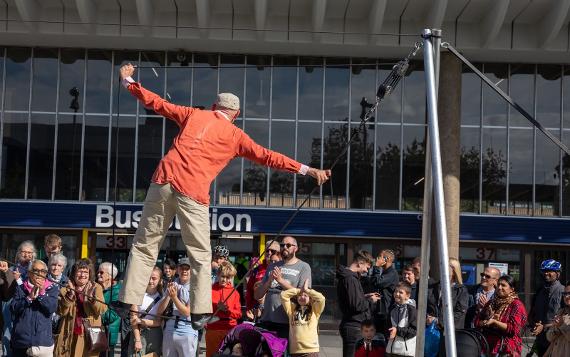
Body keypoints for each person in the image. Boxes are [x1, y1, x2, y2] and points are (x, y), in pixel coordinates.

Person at [118, 63, 331, 330]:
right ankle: (199, 312)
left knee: (145, 244)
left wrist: (128, 81)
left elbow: (157, 103)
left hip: (162, 180)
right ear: (236, 114)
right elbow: (269, 157)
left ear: (213, 106)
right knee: (199, 253)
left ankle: (129, 300)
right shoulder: (235, 136)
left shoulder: (193, 114)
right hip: (192, 190)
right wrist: (308, 170)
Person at [254, 236, 312, 339]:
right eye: (282, 245)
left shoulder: (303, 267)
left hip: (287, 322)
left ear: (296, 248)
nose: (284, 247)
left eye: (288, 245)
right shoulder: (272, 266)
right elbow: (258, 295)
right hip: (267, 319)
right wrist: (269, 281)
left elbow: (303, 296)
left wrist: (280, 280)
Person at [54, 258, 107, 357]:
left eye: (86, 272)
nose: (82, 275)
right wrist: (70, 295)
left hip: (89, 334)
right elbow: (60, 311)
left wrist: (92, 299)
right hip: (69, 332)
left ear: (90, 274)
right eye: (79, 271)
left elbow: (102, 309)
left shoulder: (96, 288)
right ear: (74, 274)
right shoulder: (65, 289)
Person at [10, 260, 59, 357]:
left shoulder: (52, 288)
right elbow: (13, 308)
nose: (39, 274)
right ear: (29, 272)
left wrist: (42, 293)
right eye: (36, 270)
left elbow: (51, 309)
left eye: (43, 271)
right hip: (21, 343)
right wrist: (28, 298)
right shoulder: (20, 287)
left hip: (42, 344)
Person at [474, 275, 527, 357]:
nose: (499, 287)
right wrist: (485, 322)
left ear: (512, 289)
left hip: (507, 349)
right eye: (498, 284)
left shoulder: (516, 305)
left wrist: (495, 322)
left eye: (503, 285)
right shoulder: (491, 303)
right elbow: (477, 321)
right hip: (488, 347)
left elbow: (514, 329)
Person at [156, 257, 199, 357]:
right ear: (177, 270)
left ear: (191, 270)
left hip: (187, 330)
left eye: (187, 269)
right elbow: (159, 311)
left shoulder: (195, 287)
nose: (184, 271)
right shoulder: (172, 284)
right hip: (169, 329)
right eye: (182, 268)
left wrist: (174, 297)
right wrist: (167, 295)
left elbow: (187, 312)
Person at [336, 250, 375, 357]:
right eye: (367, 267)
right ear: (360, 262)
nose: (367, 271)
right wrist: (371, 301)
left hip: (353, 326)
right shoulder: (350, 279)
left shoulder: (349, 277)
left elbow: (353, 301)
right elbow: (356, 305)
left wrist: (364, 297)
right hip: (354, 327)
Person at [3, 240, 37, 357]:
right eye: (24, 252)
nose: (27, 255)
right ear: (18, 253)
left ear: (33, 255)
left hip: (26, 308)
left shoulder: (35, 272)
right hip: (10, 307)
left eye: (29, 252)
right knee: (8, 335)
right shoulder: (11, 269)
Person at [280, 279, 326, 357]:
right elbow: (283, 295)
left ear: (310, 298)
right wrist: (299, 290)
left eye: (305, 296)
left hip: (311, 351)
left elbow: (321, 299)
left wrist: (307, 290)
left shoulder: (315, 309)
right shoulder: (291, 309)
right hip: (295, 351)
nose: (302, 297)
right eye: (300, 295)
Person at [529, 259, 565, 356]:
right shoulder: (539, 291)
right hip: (540, 340)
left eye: (550, 271)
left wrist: (544, 326)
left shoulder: (564, 292)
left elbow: (565, 319)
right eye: (544, 271)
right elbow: (533, 313)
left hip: (557, 339)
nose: (546, 273)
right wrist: (533, 324)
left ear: (558, 273)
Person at [206, 261, 242, 357]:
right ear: (218, 274)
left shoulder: (234, 292)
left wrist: (228, 311)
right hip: (213, 329)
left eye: (227, 277)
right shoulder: (210, 290)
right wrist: (216, 307)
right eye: (222, 276)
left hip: (229, 330)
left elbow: (239, 314)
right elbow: (204, 310)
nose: (224, 279)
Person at [129, 266, 164, 356]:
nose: (150, 281)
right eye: (148, 277)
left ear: (160, 280)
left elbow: (158, 322)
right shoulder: (138, 295)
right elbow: (133, 319)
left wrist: (140, 321)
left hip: (155, 334)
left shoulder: (162, 298)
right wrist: (137, 340)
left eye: (154, 278)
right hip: (138, 332)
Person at [364, 249, 399, 337]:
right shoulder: (385, 272)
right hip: (378, 312)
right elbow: (373, 282)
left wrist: (376, 267)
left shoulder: (392, 273)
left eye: (379, 257)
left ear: (386, 259)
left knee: (382, 339)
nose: (377, 259)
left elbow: (378, 282)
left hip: (385, 313)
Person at [427, 257, 469, 330]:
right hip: (430, 330)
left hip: (450, 332)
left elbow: (460, 313)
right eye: (441, 265)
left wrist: (438, 321)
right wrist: (427, 318)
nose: (442, 268)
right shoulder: (433, 287)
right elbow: (426, 306)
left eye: (445, 266)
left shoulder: (461, 290)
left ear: (454, 270)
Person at [246, 240, 281, 312]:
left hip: (278, 309)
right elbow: (249, 291)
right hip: (258, 311)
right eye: (267, 250)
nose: (269, 253)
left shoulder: (284, 268)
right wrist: (249, 308)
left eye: (273, 251)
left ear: (279, 253)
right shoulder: (256, 270)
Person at [385, 282, 417, 357]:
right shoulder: (392, 309)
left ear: (407, 296)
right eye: (396, 291)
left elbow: (414, 331)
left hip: (405, 352)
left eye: (401, 292)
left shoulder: (412, 310)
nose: (397, 294)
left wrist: (397, 330)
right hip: (391, 350)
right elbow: (387, 326)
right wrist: (388, 333)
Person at [97, 262, 121, 353]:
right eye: (98, 272)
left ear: (110, 276)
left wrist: (96, 316)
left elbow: (112, 315)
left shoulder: (117, 291)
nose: (98, 274)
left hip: (108, 334)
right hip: (94, 332)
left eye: (101, 272)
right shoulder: (96, 287)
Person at [544, 281, 570, 357]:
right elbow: (549, 337)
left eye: (569, 293)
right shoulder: (561, 312)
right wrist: (557, 329)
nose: (566, 296)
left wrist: (562, 325)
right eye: (565, 294)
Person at [48, 253, 68, 334]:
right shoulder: (43, 279)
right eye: (53, 265)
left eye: (59, 265)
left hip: (60, 318)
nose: (56, 268)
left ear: (63, 268)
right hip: (45, 318)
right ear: (49, 266)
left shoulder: (67, 282)